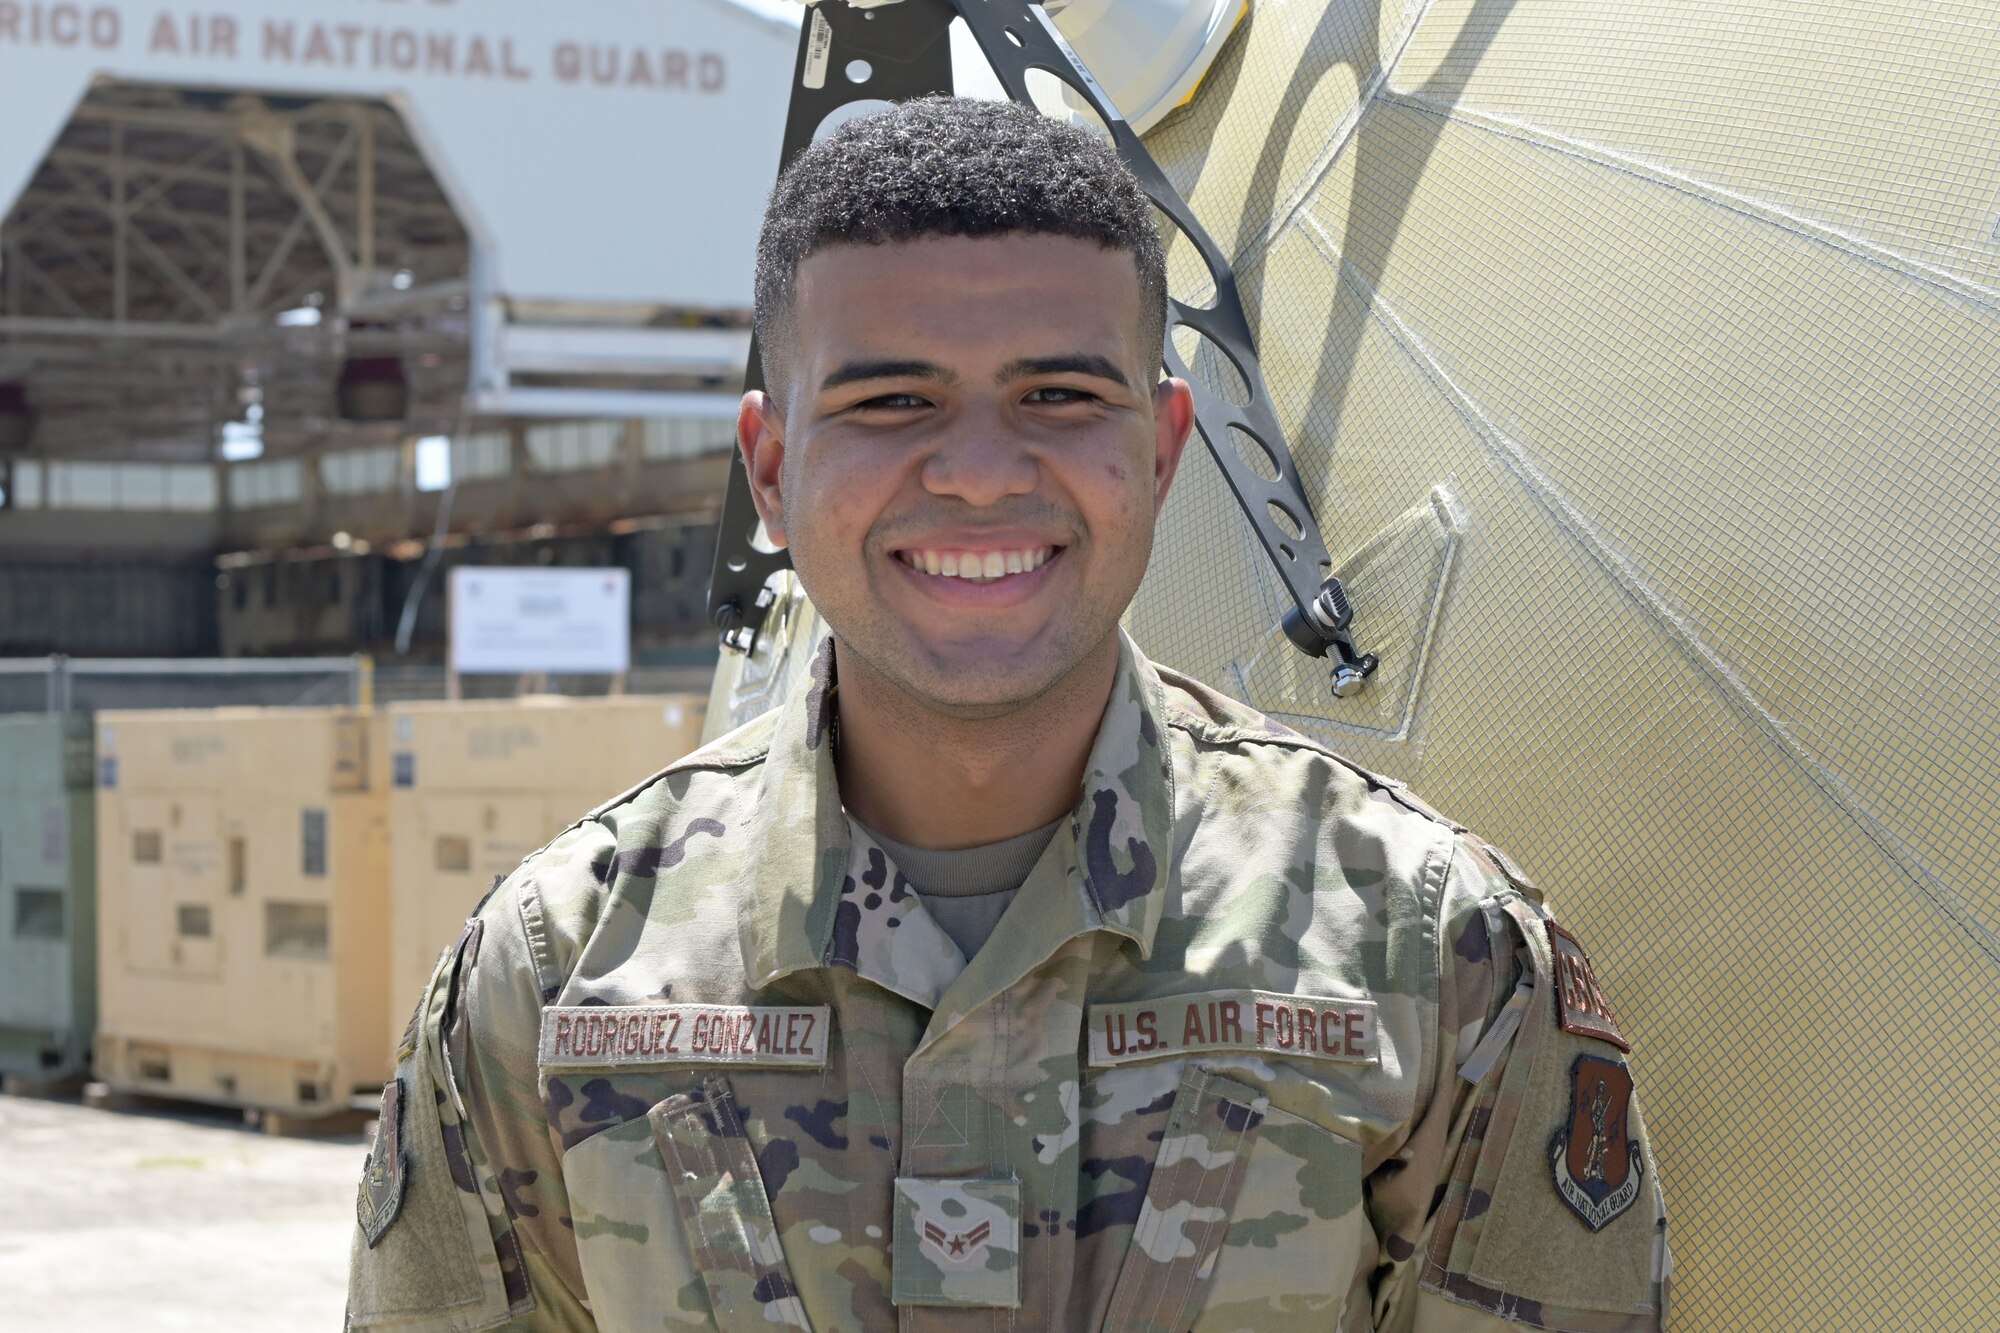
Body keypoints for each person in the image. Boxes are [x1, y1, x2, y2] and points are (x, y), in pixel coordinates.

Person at [346, 97, 1668, 1332]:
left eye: (1058, 396)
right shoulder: (557, 974)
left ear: (1157, 453)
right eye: (890, 401)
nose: (979, 471)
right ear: (770, 467)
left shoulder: (1429, 952)